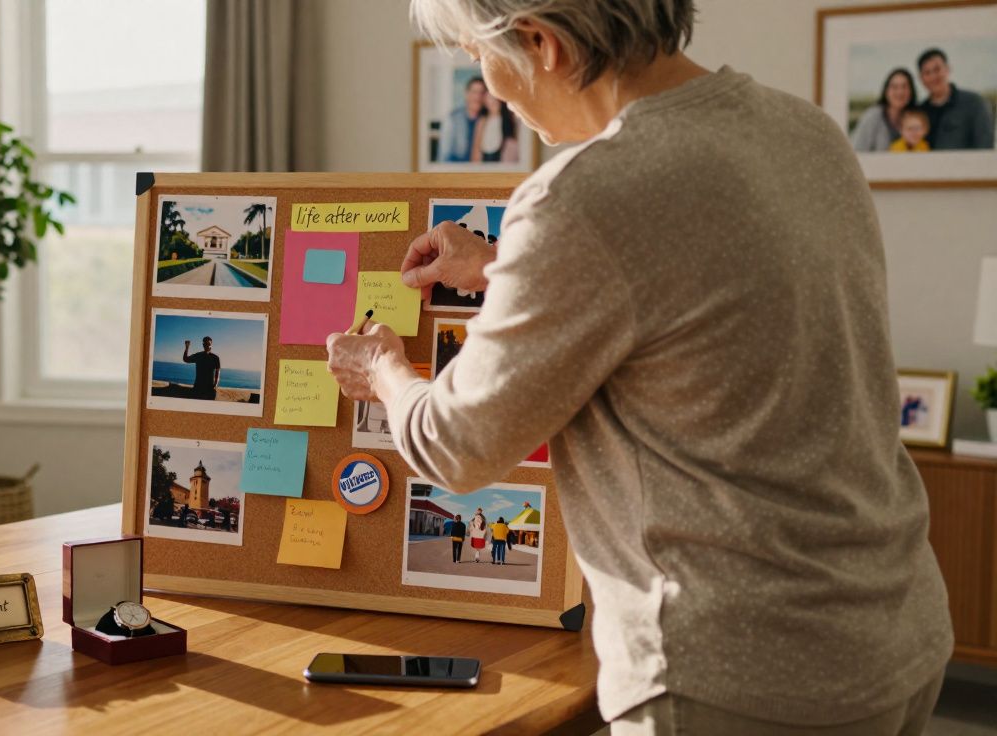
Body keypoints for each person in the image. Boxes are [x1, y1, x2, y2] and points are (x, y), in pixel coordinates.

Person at [327, 1, 950, 732]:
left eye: (476, 56)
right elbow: (695, 298)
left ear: (542, 43)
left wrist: (383, 368)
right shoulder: (801, 130)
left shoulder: (583, 197)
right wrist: (501, 267)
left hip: (741, 677)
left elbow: (454, 445)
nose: (490, 84)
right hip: (895, 631)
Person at [917, 47, 995, 150]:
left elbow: (985, 147)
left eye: (937, 69)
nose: (933, 77)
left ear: (948, 69)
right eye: (927, 73)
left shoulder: (975, 103)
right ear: (921, 78)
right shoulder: (919, 112)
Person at [850, 68, 916, 152]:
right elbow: (857, 150)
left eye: (904, 87)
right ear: (886, 91)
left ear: (911, 91)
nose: (900, 92)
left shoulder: (916, 117)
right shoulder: (873, 116)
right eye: (894, 87)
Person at [440, 77, 486, 162]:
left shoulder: (487, 119)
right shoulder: (453, 119)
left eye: (482, 93)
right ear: (466, 94)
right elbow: (445, 156)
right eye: (474, 92)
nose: (478, 97)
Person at [471, 92, 520, 162]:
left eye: (495, 99)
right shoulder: (482, 121)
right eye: (489, 99)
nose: (493, 102)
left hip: (502, 157)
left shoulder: (508, 119)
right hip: (485, 158)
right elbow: (476, 146)